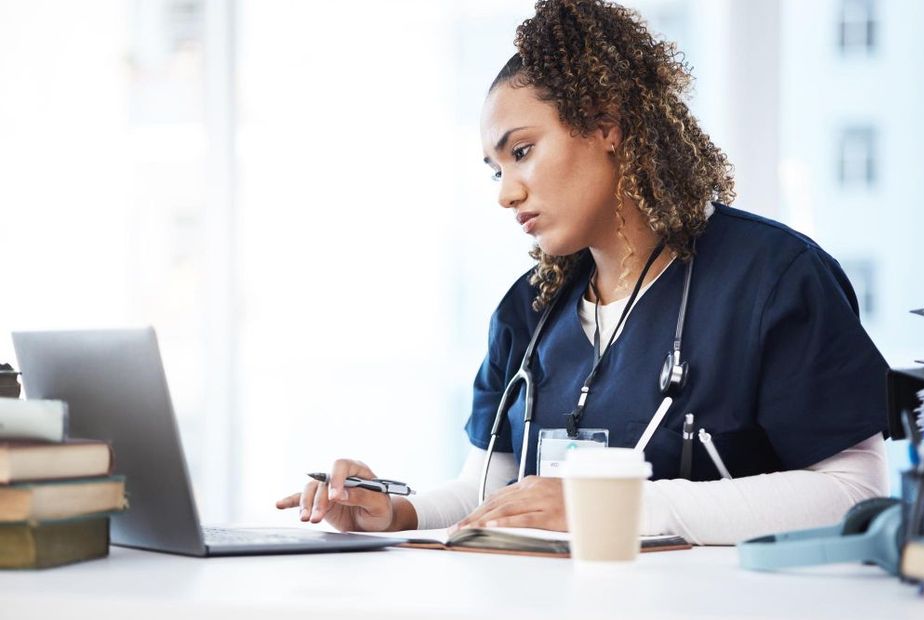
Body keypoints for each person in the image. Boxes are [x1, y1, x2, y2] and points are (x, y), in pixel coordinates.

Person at [276, 0, 889, 545]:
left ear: (605, 124)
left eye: (521, 152)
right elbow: (492, 495)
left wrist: (615, 508)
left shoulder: (774, 279)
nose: (506, 193)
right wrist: (394, 514)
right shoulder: (529, 311)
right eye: (495, 169)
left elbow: (852, 492)